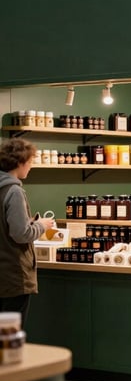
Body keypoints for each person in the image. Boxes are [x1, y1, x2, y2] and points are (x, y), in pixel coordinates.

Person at [0, 138, 55, 328]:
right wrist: (41, 225)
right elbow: (20, 234)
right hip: (13, 276)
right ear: (20, 162)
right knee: (10, 338)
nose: (31, 167)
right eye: (30, 162)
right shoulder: (14, 191)